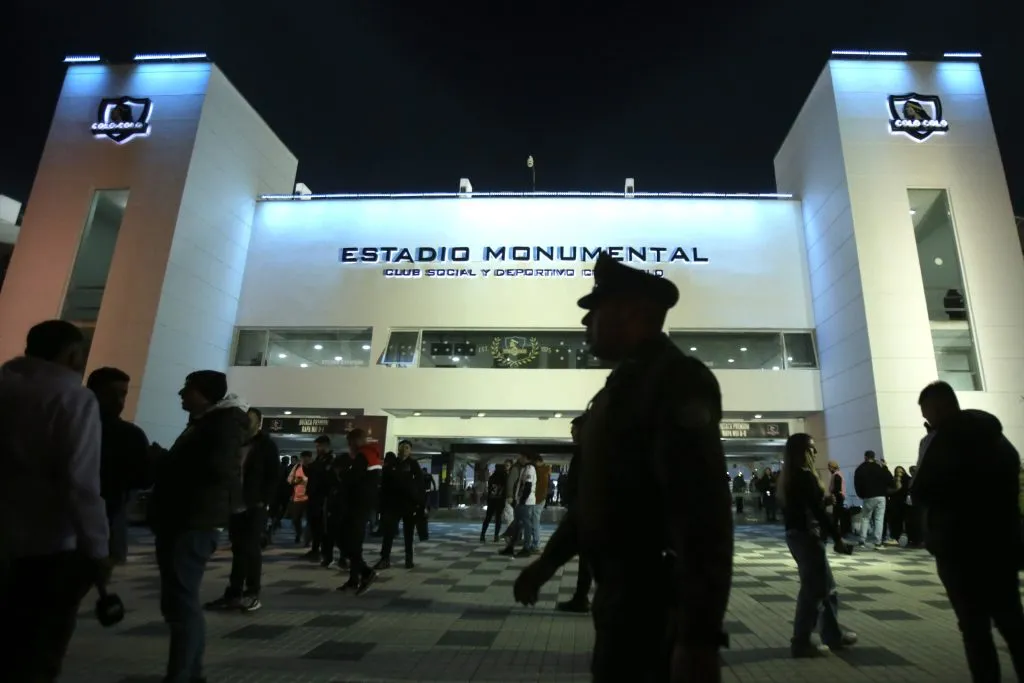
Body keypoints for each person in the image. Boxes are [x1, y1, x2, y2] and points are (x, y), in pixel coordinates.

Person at [513, 252, 733, 682]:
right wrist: (546, 565)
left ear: (632, 313)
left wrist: (698, 637)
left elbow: (703, 515)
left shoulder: (675, 380)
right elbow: (600, 499)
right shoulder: (624, 385)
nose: (585, 323)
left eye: (595, 310)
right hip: (620, 596)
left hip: (653, 603)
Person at [0, 320, 111, 683]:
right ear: (72, 353)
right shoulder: (71, 397)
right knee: (38, 647)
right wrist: (98, 548)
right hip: (48, 542)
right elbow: (80, 481)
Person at [911, 380, 1024, 683]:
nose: (927, 420)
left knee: (974, 628)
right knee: (1012, 621)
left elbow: (921, 490)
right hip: (1001, 543)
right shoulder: (997, 439)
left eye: (927, 412)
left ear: (937, 407)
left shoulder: (944, 441)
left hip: (957, 547)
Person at [147, 371, 248, 683]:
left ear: (204, 393)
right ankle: (189, 672)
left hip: (192, 521)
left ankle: (182, 674)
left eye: (187, 389)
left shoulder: (220, 426)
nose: (181, 394)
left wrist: (167, 462)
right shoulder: (208, 423)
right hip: (185, 519)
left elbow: (216, 469)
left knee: (182, 602)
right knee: (179, 601)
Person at [776, 433, 857, 658]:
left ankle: (832, 635)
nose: (815, 452)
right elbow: (818, 513)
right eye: (812, 448)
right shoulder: (804, 477)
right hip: (808, 536)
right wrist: (838, 538)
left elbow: (802, 507)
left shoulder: (788, 477)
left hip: (796, 535)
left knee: (826, 587)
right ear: (802, 452)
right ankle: (801, 641)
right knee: (813, 591)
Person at [205, 407, 280, 612]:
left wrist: (264, 501)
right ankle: (234, 592)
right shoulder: (236, 443)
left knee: (251, 548)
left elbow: (274, 475)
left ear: (259, 423)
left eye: (252, 420)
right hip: (235, 504)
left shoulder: (266, 446)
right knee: (238, 548)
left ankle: (252, 592)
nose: (248, 423)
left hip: (255, 505)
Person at [87, 366, 152, 564]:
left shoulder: (130, 435)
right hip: (107, 517)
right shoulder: (129, 434)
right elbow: (143, 478)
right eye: (111, 394)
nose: (119, 401)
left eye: (122, 394)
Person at [556, 413, 592, 614]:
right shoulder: (589, 451)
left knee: (589, 558)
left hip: (587, 514)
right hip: (587, 512)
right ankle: (581, 597)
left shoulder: (587, 452)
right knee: (589, 559)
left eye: (574, 430)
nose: (572, 434)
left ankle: (582, 598)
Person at [337, 428, 379, 594]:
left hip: (357, 505)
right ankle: (354, 579)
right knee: (353, 542)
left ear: (355, 441)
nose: (349, 446)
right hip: (363, 505)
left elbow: (352, 479)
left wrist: (342, 475)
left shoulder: (362, 457)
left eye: (349, 442)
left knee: (347, 542)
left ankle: (366, 573)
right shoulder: (372, 455)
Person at [375, 440, 423, 569]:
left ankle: (409, 559)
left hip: (409, 504)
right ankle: (385, 559)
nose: (404, 449)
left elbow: (420, 484)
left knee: (409, 533)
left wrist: (419, 502)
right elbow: (384, 484)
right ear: (398, 449)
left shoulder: (413, 464)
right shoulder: (391, 464)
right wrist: (382, 504)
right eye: (402, 447)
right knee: (388, 532)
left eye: (407, 447)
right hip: (392, 504)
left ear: (410, 450)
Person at [853, 450, 892, 549]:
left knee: (865, 518)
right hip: (881, 496)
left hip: (868, 496)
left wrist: (861, 495)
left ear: (865, 457)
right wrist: (885, 466)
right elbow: (889, 479)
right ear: (874, 457)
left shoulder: (860, 468)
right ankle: (878, 542)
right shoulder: (879, 467)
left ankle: (862, 540)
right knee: (879, 519)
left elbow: (857, 484)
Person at [481, 460, 510, 543]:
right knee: (498, 518)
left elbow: (489, 489)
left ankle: (482, 535)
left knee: (488, 518)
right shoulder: (505, 477)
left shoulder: (492, 477)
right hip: (500, 500)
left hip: (491, 499)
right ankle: (496, 536)